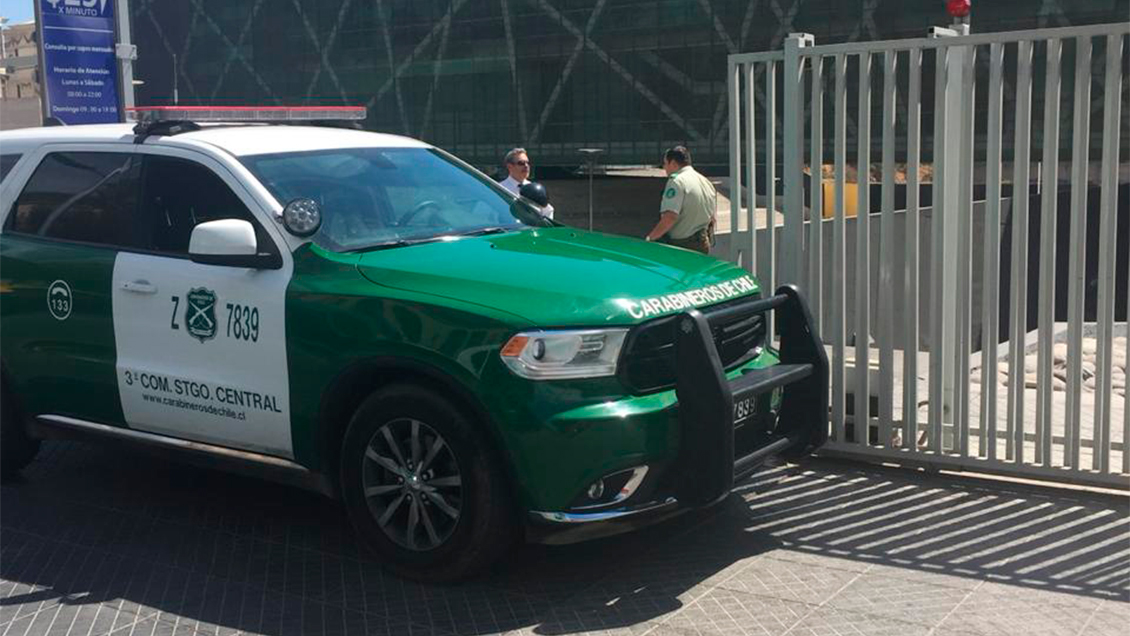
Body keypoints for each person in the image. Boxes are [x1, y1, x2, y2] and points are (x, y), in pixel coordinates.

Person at [644, 146, 716, 255]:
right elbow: (712, 219)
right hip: (703, 244)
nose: (664, 168)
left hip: (682, 246)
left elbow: (670, 216)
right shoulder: (706, 182)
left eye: (665, 163)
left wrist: (651, 238)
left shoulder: (677, 181)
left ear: (673, 163)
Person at [500, 147, 554, 219]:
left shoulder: (535, 189)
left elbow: (548, 211)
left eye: (527, 163)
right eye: (521, 163)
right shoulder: (500, 189)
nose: (526, 166)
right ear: (510, 166)